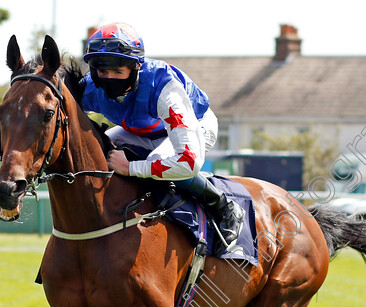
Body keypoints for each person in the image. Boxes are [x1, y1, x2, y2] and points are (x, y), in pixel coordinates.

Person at [80, 22, 245, 248]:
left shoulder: (165, 88)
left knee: (156, 161)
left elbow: (188, 163)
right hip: (142, 129)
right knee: (100, 144)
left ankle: (223, 205)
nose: (109, 78)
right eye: (102, 71)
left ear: (136, 67)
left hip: (196, 124)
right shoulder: (89, 87)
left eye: (118, 71)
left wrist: (131, 168)